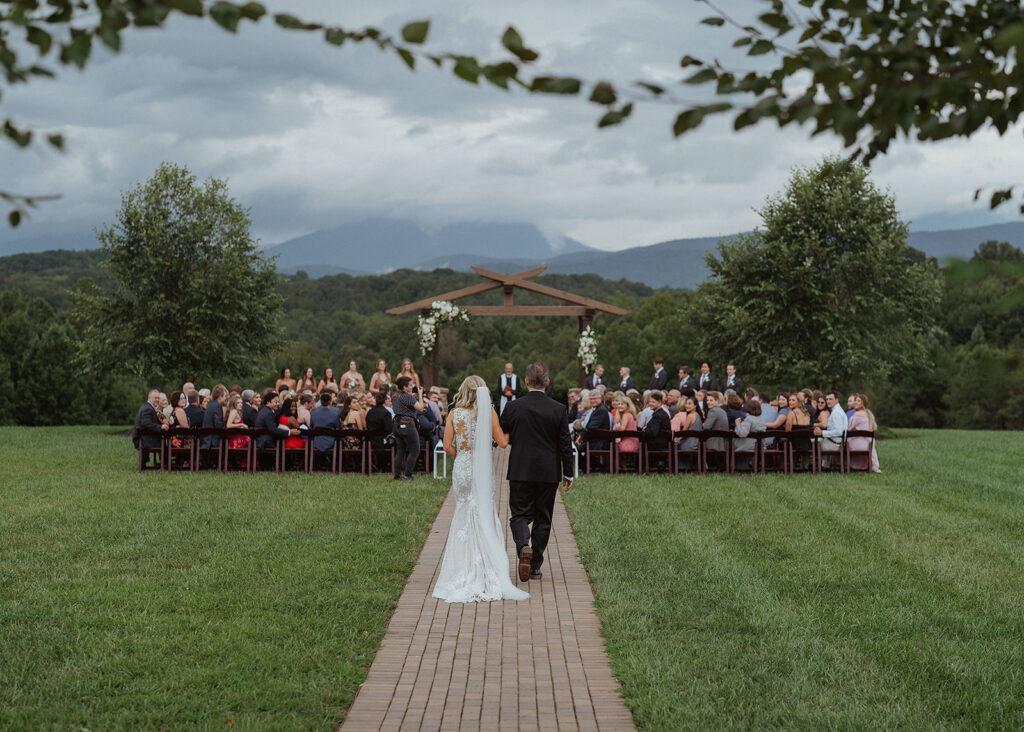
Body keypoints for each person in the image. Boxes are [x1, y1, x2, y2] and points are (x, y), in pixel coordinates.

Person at [431, 376, 530, 603]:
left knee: (464, 511)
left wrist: (464, 457)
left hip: (463, 469)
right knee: (483, 512)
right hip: (482, 471)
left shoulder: (455, 414)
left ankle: (461, 569)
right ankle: (486, 567)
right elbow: (503, 443)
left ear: (464, 391)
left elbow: (447, 445)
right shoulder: (488, 414)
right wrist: (511, 432)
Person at [500, 362, 573, 582]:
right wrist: (568, 473)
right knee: (543, 517)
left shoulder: (513, 407)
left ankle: (523, 546)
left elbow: (502, 434)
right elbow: (565, 444)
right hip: (548, 471)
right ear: (548, 383)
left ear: (525, 382)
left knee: (519, 514)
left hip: (520, 469)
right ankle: (535, 566)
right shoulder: (558, 409)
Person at [392, 376, 426, 480]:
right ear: (405, 387)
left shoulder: (394, 395)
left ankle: (397, 476)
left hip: (397, 424)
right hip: (408, 425)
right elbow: (420, 408)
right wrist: (420, 394)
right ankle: (407, 475)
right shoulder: (408, 397)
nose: (412, 387)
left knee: (400, 451)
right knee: (414, 450)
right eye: (410, 385)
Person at [814, 390, 849, 467]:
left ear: (837, 400)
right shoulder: (836, 410)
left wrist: (822, 433)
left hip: (835, 445)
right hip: (835, 443)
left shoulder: (836, 413)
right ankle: (824, 466)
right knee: (816, 440)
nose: (828, 401)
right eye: (827, 399)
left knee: (811, 442)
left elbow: (839, 432)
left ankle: (815, 467)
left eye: (830, 399)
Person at [848, 393, 881, 472]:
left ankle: (844, 464)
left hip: (857, 446)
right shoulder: (869, 415)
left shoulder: (856, 415)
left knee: (843, 441)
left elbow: (849, 429)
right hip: (868, 445)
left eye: (858, 401)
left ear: (862, 403)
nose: (855, 402)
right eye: (855, 400)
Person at [309, 391, 342, 460]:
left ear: (320, 401)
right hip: (330, 442)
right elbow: (339, 428)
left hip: (316, 441)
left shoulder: (314, 412)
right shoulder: (334, 414)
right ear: (330, 402)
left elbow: (311, 427)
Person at [734, 399, 766, 470]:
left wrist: (738, 424)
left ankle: (732, 467)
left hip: (749, 446)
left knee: (731, 441)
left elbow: (742, 433)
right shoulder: (762, 419)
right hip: (760, 445)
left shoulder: (749, 419)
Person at [673, 396, 703, 469]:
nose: (687, 405)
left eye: (689, 404)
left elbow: (684, 432)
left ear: (695, 406)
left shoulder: (690, 416)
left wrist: (678, 440)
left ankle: (680, 468)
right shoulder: (698, 415)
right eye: (686, 403)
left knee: (675, 445)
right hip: (696, 442)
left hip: (689, 444)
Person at [200, 384, 228, 453]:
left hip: (206, 439)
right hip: (213, 440)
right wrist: (226, 428)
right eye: (224, 396)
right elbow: (218, 425)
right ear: (220, 396)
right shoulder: (218, 406)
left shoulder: (210, 404)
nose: (225, 398)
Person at [703, 391, 729, 458]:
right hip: (723, 442)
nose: (708, 402)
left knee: (696, 444)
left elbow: (706, 427)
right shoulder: (722, 411)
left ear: (717, 401)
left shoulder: (713, 411)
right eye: (707, 400)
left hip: (715, 443)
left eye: (711, 400)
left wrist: (703, 425)